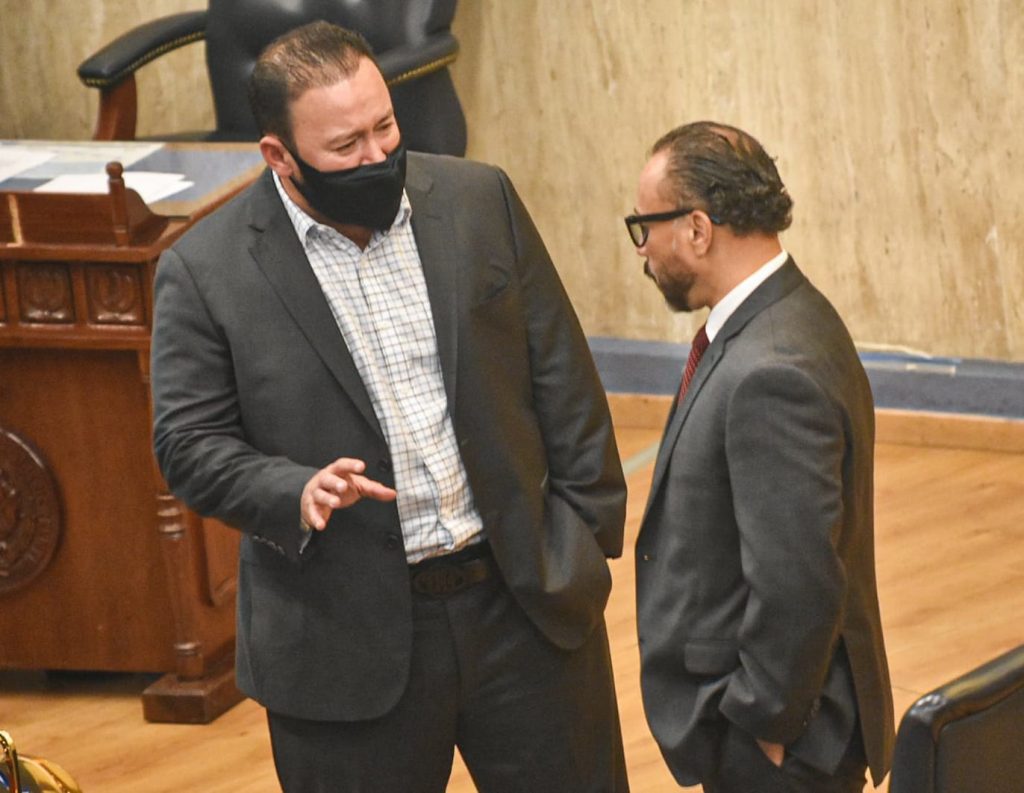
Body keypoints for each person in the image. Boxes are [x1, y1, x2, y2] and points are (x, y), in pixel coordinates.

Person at [150, 21, 628, 793]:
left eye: (385, 127)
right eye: (345, 145)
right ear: (278, 154)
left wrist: (583, 534)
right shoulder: (204, 271)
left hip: (524, 608)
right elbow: (188, 442)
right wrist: (292, 489)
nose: (376, 155)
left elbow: (563, 377)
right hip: (343, 641)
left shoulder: (479, 200)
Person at [628, 121, 895, 793]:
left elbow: (797, 577)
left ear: (697, 229)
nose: (642, 251)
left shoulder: (768, 369)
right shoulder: (793, 314)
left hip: (784, 747)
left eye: (644, 227)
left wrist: (763, 725)